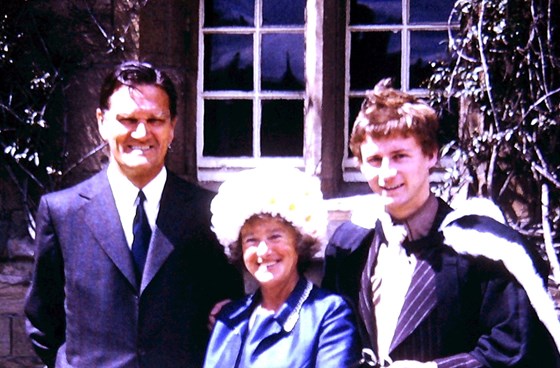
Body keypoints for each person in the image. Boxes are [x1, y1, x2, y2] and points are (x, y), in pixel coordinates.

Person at [322, 79, 560, 367]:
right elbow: (335, 336)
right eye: (374, 159)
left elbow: (515, 349)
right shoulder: (350, 245)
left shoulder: (484, 248)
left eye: (400, 156)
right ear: (359, 164)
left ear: (431, 155)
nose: (386, 174)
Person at [24, 60, 243, 368]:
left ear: (172, 127)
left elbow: (226, 309)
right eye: (128, 119)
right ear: (101, 122)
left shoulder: (208, 213)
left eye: (155, 119)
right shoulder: (63, 213)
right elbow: (42, 322)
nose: (142, 133)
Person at [203, 166, 361, 368]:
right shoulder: (230, 317)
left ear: (299, 241)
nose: (263, 250)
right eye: (251, 240)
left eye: (275, 236)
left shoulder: (329, 314)